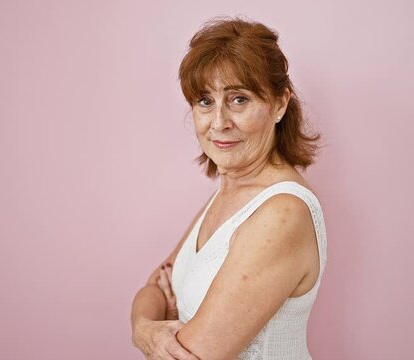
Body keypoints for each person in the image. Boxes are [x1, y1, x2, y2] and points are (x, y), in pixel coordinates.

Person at [130, 16, 328, 360]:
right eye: (205, 101)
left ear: (279, 104)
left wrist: (153, 328)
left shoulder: (283, 213)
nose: (219, 122)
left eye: (239, 99)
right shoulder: (227, 194)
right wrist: (145, 330)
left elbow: (194, 355)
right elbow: (154, 287)